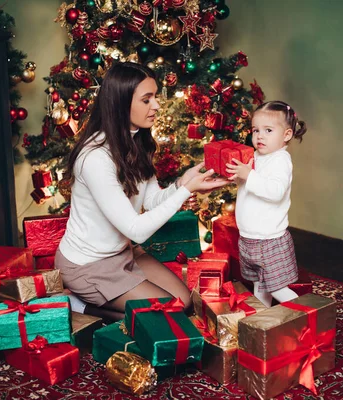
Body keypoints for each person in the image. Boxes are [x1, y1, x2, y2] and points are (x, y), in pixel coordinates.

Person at [55, 62, 227, 320]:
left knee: (185, 303)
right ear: (121, 104)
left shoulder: (136, 141)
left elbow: (153, 199)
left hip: (123, 253)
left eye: (155, 97)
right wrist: (184, 191)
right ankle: (80, 306)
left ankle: (105, 302)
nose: (156, 106)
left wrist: (183, 183)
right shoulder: (95, 158)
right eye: (147, 99)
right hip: (87, 266)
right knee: (167, 314)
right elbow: (136, 229)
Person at [225, 100, 307, 307]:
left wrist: (248, 175)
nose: (259, 136)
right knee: (259, 284)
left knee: (277, 287)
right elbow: (249, 185)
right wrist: (237, 177)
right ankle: (263, 319)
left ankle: (307, 317)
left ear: (286, 135)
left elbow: (275, 192)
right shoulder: (255, 157)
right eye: (255, 130)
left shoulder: (280, 160)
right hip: (249, 237)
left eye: (268, 130)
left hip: (269, 240)